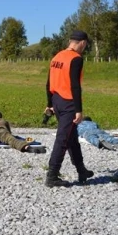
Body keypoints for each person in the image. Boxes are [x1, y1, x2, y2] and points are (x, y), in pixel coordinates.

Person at [44, 30, 94, 187]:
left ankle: (81, 170)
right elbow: (75, 85)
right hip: (68, 103)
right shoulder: (76, 58)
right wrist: (78, 109)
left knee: (71, 136)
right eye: (85, 46)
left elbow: (48, 82)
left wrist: (50, 103)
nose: (84, 49)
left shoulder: (57, 56)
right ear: (82, 43)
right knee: (63, 139)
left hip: (57, 100)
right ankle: (52, 175)